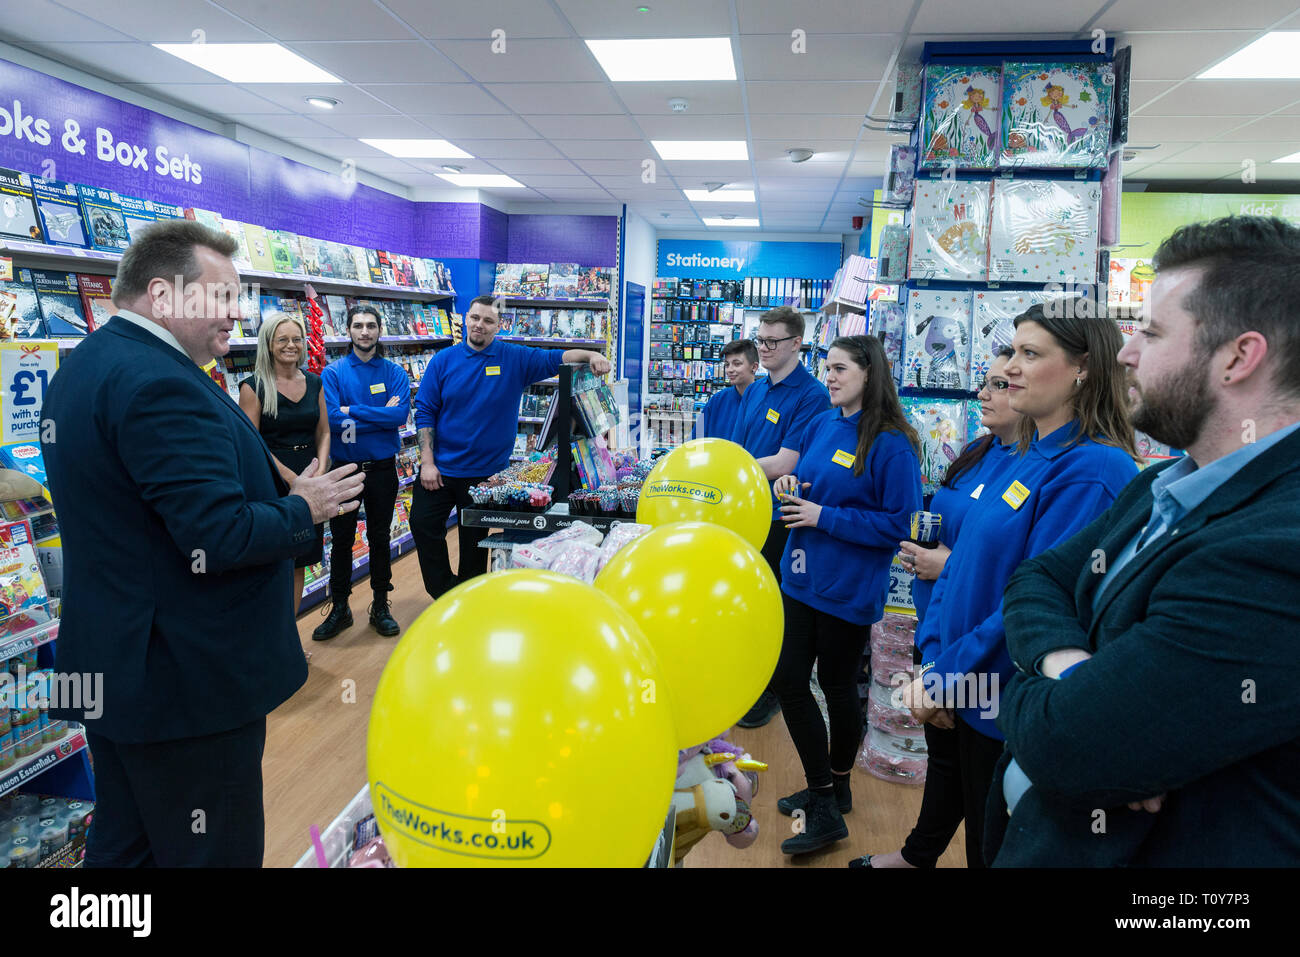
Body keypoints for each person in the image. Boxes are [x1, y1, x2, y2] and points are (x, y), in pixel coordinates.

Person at [41, 219, 364, 867]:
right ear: (162, 296)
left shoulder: (85, 367)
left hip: (114, 672)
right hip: (182, 689)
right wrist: (304, 506)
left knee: (124, 849)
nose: (237, 312)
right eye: (220, 296)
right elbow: (216, 535)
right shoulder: (159, 384)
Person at [989, 217, 1300, 867]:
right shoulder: (1161, 482)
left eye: (1152, 333)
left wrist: (1033, 684)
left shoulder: (1273, 549)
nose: (1126, 353)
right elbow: (1035, 578)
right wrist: (1070, 670)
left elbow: (1069, 748)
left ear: (1239, 356)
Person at [898, 302, 1142, 869]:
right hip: (967, 690)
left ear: (1084, 368)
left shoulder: (1095, 470)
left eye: (1031, 354)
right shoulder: (1025, 453)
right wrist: (936, 662)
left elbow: (1036, 605)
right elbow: (960, 569)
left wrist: (946, 678)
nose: (1009, 369)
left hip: (1008, 707)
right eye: (1013, 351)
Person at [850, 346, 1022, 869]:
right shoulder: (982, 450)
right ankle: (917, 853)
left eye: (999, 385)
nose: (983, 394)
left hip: (983, 652)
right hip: (940, 629)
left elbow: (1020, 579)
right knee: (946, 757)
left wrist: (946, 564)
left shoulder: (1046, 470)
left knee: (982, 787)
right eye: (986, 382)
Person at [769, 335, 923, 855]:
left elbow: (900, 524)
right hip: (801, 578)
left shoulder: (890, 442)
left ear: (868, 372)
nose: (828, 376)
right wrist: (792, 484)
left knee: (833, 687)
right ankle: (829, 789)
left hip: (846, 590)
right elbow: (811, 478)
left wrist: (824, 517)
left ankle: (829, 798)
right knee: (792, 681)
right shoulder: (823, 423)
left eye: (839, 368)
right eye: (826, 367)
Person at [409, 295, 610, 599]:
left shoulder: (514, 358)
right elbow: (424, 411)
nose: (480, 325)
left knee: (473, 544)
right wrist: (427, 462)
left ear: (498, 325)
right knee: (422, 524)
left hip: (486, 477)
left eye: (488, 321)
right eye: (475, 318)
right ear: (466, 319)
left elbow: (558, 357)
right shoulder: (443, 361)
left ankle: (468, 601)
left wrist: (592, 356)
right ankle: (443, 591)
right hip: (440, 469)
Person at [731, 306, 831, 728]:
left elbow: (786, 460)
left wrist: (728, 472)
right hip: (742, 511)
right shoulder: (754, 389)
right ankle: (746, 680)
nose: (764, 348)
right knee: (745, 602)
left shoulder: (811, 395)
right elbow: (741, 447)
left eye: (772, 342)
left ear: (797, 344)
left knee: (772, 604)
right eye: (760, 340)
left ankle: (771, 689)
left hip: (778, 519)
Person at [313, 305, 409, 640]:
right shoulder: (334, 373)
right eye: (358, 326)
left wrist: (352, 410)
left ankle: (380, 605)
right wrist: (377, 416)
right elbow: (333, 423)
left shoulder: (394, 372)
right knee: (341, 539)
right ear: (348, 331)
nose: (364, 332)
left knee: (380, 538)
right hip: (344, 470)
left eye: (370, 326)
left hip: (382, 470)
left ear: (379, 330)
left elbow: (398, 418)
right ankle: (340, 608)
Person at [238, 312, 330, 614]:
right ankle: (269, 640)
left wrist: (319, 473)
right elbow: (252, 442)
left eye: (297, 339)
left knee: (299, 561)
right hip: (272, 480)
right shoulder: (253, 387)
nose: (291, 345)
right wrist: (294, 479)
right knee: (274, 561)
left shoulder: (315, 383)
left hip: (311, 478)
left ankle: (289, 638)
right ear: (268, 344)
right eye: (283, 340)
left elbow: (324, 431)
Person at [696, 339, 759, 439]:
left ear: (754, 367)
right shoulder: (717, 400)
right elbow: (697, 435)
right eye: (727, 364)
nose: (729, 370)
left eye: (737, 364)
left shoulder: (765, 402)